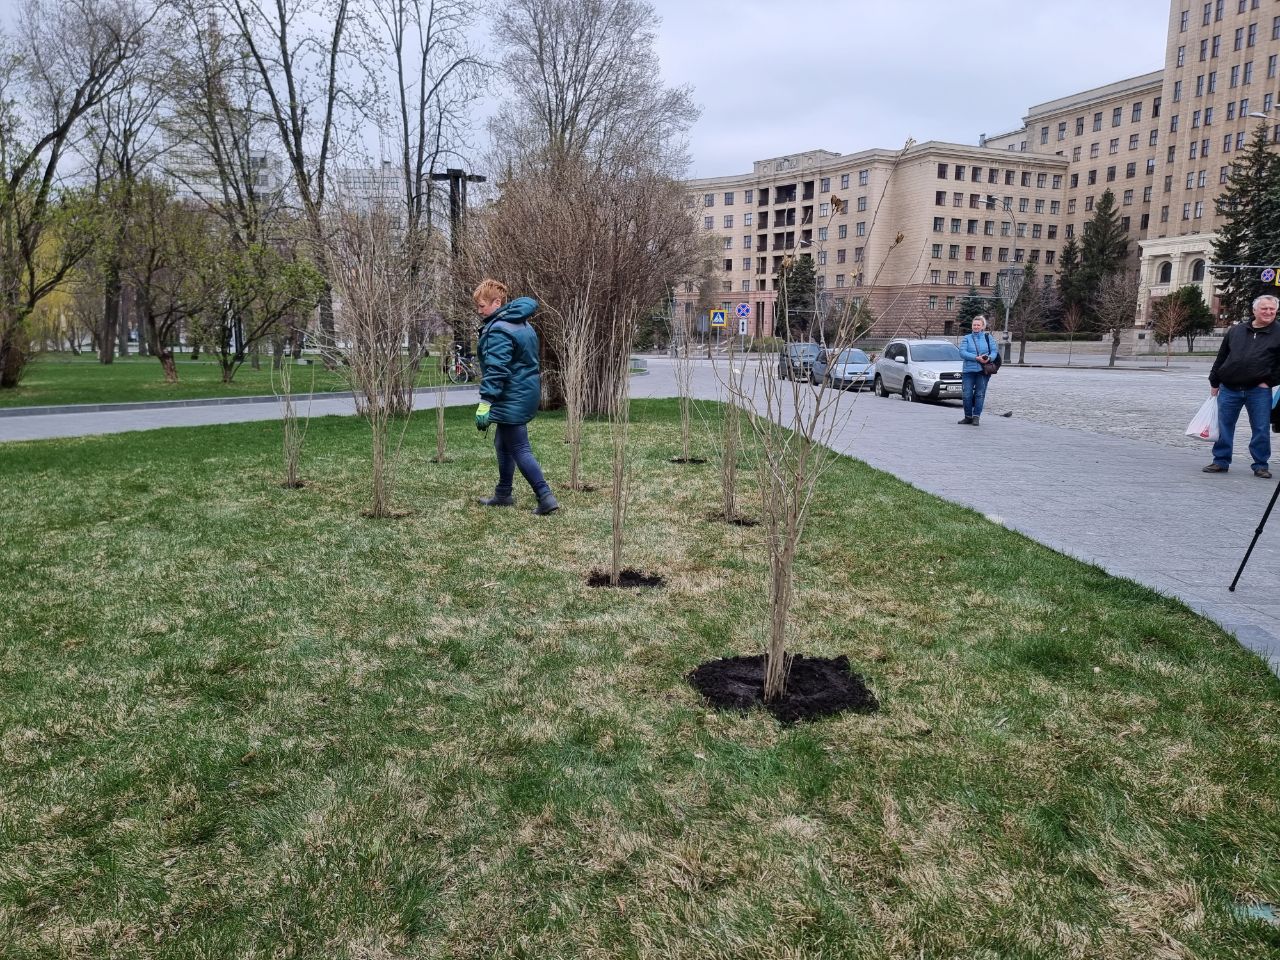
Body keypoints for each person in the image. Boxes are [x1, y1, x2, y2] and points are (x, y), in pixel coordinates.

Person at [472, 278, 559, 514]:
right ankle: (503, 494)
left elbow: (496, 369)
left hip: (512, 395)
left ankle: (545, 497)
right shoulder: (521, 323)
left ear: (497, 302)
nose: (479, 311)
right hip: (523, 391)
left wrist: (485, 402)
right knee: (503, 443)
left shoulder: (499, 329)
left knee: (519, 447)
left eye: (481, 306)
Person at [1205, 294, 1280, 479]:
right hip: (1229, 387)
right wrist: (1214, 381)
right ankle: (1221, 460)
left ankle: (1260, 464)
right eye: (1264, 308)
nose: (1268, 312)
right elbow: (1222, 357)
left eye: (1272, 309)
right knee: (1224, 426)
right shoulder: (1236, 330)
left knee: (1261, 428)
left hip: (1259, 390)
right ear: (1254, 310)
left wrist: (1269, 382)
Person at [957, 315, 998, 426]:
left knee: (980, 394)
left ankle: (976, 417)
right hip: (968, 371)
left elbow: (994, 352)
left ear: (982, 326)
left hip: (983, 370)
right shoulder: (966, 338)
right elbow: (962, 352)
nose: (975, 327)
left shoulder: (988, 338)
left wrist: (988, 358)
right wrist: (976, 358)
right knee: (967, 394)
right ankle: (968, 416)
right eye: (974, 325)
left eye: (978, 325)